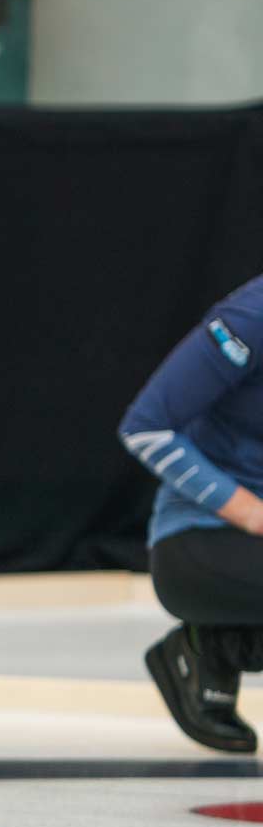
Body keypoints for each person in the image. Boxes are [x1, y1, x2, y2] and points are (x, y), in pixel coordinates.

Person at [120, 274, 263, 753]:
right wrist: (252, 513)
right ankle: (214, 647)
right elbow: (146, 428)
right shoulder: (251, 316)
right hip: (204, 538)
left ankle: (221, 649)